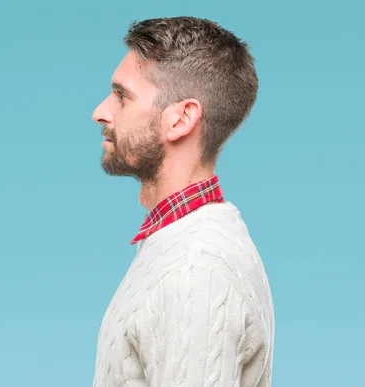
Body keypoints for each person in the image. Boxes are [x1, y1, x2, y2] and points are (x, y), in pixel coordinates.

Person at [91, 17, 275, 387]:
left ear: (181, 119)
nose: (101, 111)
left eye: (122, 96)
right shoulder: (176, 245)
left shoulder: (194, 272)